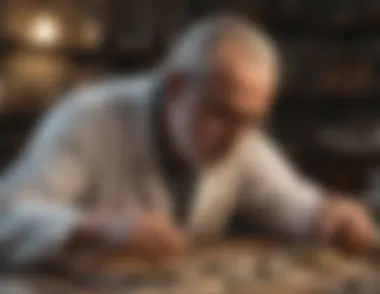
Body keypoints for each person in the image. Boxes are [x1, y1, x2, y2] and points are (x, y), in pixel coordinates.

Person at [0, 15, 375, 268]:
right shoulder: (89, 117)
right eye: (223, 114)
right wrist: (97, 226)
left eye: (253, 119)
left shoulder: (239, 134)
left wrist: (327, 213)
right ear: (176, 87)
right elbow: (9, 216)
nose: (239, 138)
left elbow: (290, 199)